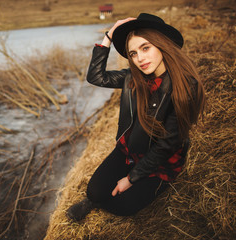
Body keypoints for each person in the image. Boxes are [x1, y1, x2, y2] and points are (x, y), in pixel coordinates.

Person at [66, 13, 206, 221]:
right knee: (94, 192)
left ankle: (138, 185)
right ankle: (94, 201)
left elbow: (166, 145)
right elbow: (96, 76)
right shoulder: (132, 78)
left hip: (160, 160)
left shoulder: (185, 87)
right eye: (133, 53)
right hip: (129, 150)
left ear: (162, 45)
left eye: (145, 48)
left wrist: (131, 179)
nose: (140, 59)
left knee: (124, 206)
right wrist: (109, 36)